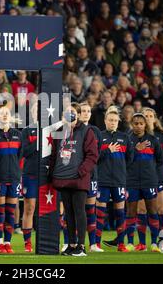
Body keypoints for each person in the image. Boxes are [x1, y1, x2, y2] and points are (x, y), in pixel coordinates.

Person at [49, 102, 98, 257]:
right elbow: (54, 154)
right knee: (68, 213)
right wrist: (53, 173)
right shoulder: (59, 131)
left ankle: (81, 247)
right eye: (66, 112)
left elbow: (92, 155)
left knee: (79, 211)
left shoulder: (86, 131)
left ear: (77, 114)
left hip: (79, 178)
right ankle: (71, 245)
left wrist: (81, 171)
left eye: (72, 112)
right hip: (63, 178)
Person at [96, 106, 133, 252]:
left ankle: (121, 244)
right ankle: (96, 244)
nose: (113, 123)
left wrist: (121, 171)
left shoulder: (124, 138)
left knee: (120, 212)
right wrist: (106, 151)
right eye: (110, 120)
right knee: (99, 212)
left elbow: (130, 159)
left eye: (115, 121)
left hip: (119, 180)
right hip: (102, 180)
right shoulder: (99, 136)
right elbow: (94, 158)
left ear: (118, 122)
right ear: (105, 121)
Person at [126, 113, 163, 252]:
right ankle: (131, 243)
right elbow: (125, 161)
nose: (138, 126)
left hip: (149, 181)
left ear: (145, 125)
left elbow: (160, 161)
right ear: (132, 124)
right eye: (135, 123)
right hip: (132, 181)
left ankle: (154, 243)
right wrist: (136, 150)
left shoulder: (153, 140)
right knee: (131, 213)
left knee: (152, 211)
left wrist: (157, 178)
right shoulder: (128, 140)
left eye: (141, 123)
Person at [0, 104, 22, 254]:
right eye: (1, 113)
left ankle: (8, 243)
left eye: (7, 113)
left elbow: (20, 157)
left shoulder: (18, 134)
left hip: (14, 178)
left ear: (10, 117)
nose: (4, 115)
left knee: (10, 211)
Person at [142, 107, 163, 252]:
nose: (148, 118)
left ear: (154, 118)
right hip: (142, 178)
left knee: (161, 210)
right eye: (145, 116)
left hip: (159, 178)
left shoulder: (162, 136)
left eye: (150, 115)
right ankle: (144, 244)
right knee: (143, 210)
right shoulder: (135, 136)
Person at [79, 102, 103, 252]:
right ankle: (71, 242)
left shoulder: (95, 131)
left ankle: (93, 244)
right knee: (77, 209)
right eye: (83, 111)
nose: (86, 113)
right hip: (76, 175)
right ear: (78, 113)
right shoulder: (74, 129)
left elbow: (97, 154)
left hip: (92, 175)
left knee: (90, 209)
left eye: (88, 111)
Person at [21, 102, 38, 253]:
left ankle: (51, 241)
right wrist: (40, 142)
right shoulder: (26, 131)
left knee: (51, 209)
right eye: (35, 110)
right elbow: (24, 152)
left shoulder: (53, 130)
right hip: (30, 174)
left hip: (48, 175)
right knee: (29, 207)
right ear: (32, 113)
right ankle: (27, 243)